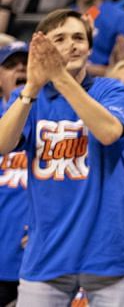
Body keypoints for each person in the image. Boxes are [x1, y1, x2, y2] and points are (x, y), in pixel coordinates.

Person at [0, 9, 124, 305]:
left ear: (90, 48)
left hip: (108, 253)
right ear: (45, 51)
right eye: (60, 39)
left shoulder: (111, 89)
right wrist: (31, 86)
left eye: (79, 37)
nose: (73, 44)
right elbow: (3, 145)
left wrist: (61, 78)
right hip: (46, 254)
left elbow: (108, 133)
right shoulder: (29, 98)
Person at [0, 41, 28, 307]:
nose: (20, 69)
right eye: (10, 65)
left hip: (43, 263)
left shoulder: (56, 117)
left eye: (27, 64)